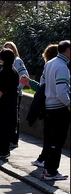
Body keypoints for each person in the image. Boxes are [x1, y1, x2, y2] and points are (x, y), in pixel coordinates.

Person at [20, 44, 58, 168]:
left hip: (49, 106)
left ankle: (44, 159)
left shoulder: (48, 68)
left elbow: (43, 88)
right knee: (51, 136)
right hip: (53, 106)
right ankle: (44, 159)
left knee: (49, 135)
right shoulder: (57, 68)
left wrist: (29, 83)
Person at [38, 40, 70, 180]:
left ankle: (47, 169)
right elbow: (62, 91)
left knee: (51, 140)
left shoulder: (49, 63)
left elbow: (42, 82)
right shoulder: (62, 67)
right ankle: (52, 171)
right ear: (67, 51)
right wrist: (69, 103)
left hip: (48, 106)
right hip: (59, 108)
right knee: (58, 141)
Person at [0, 41, 29, 149]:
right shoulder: (5, 65)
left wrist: (18, 87)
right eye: (6, 48)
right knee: (3, 121)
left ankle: (11, 140)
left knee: (10, 119)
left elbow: (25, 76)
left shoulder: (17, 62)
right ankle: (1, 141)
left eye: (10, 48)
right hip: (5, 96)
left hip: (11, 95)